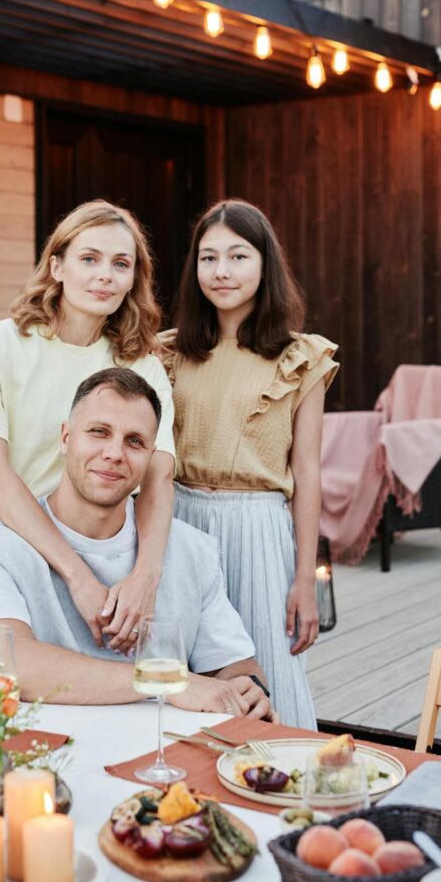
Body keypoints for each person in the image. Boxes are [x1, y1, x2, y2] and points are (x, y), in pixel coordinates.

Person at [0, 368, 277, 720]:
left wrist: (248, 689)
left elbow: (235, 665)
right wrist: (167, 680)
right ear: (66, 438)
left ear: (150, 456)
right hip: (43, 757)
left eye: (134, 441)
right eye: (99, 432)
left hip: (164, 758)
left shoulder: (192, 551)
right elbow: (5, 664)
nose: (114, 453)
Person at [0, 200, 175, 655]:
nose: (105, 275)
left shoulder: (143, 367)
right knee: (16, 708)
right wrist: (75, 576)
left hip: (113, 574)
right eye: (89, 258)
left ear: (133, 280)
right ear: (57, 266)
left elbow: (158, 478)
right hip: (13, 565)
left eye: (120, 264)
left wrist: (146, 575)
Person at [159, 199, 338, 729]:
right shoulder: (166, 353)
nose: (222, 271)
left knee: (266, 669)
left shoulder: (301, 356)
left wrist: (305, 579)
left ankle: (282, 787)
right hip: (179, 522)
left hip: (258, 527)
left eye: (238, 256)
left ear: (265, 264)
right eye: (208, 258)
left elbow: (307, 475)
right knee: (187, 670)